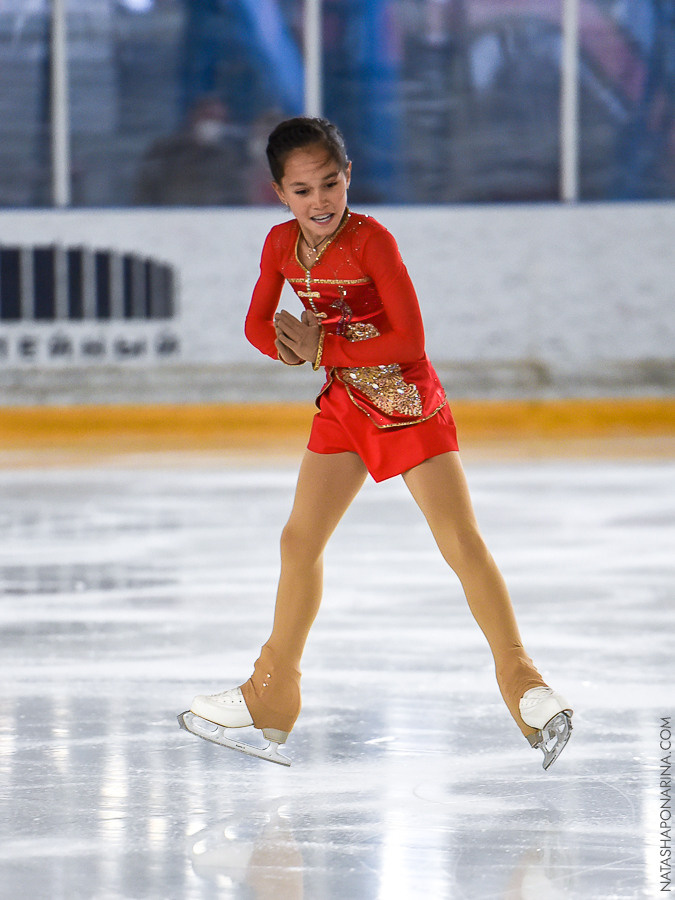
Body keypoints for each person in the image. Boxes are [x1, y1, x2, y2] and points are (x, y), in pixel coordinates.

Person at [179, 117, 573, 769]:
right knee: (298, 540)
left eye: (329, 184)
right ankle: (273, 694)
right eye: (302, 190)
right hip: (341, 403)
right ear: (279, 192)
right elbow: (256, 322)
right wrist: (286, 347)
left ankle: (523, 684)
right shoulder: (280, 245)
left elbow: (411, 341)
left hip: (405, 402)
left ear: (347, 177)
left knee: (457, 538)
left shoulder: (372, 243)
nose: (320, 202)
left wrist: (319, 346)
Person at [133, 96, 245, 206]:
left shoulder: (229, 158)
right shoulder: (165, 151)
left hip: (214, 219)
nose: (212, 123)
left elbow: (236, 197)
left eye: (218, 119)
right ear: (193, 116)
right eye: (207, 117)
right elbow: (144, 191)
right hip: (167, 217)